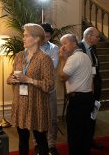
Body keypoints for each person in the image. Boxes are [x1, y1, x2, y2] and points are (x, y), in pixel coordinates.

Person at [7, 23, 54, 155]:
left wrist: (29, 80)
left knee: (40, 140)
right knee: (22, 139)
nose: (23, 38)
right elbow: (11, 75)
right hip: (20, 104)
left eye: (26, 35)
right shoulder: (19, 56)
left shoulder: (44, 58)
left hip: (36, 105)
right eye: (24, 35)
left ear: (36, 39)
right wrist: (11, 79)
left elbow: (49, 85)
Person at [58, 34, 93, 155]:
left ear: (74, 44)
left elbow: (62, 76)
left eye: (65, 43)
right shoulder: (85, 56)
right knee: (84, 130)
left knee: (74, 132)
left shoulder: (74, 58)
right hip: (87, 97)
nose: (62, 47)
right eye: (61, 44)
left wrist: (62, 59)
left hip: (77, 100)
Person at [33, 23, 59, 155]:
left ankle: (51, 144)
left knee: (52, 118)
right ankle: (37, 143)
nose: (46, 39)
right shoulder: (32, 47)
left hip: (50, 89)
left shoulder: (54, 48)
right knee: (37, 117)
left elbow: (53, 65)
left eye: (48, 36)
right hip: (35, 89)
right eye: (44, 36)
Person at [78, 27, 103, 150]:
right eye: (97, 36)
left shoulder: (93, 48)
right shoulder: (78, 48)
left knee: (93, 113)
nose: (98, 39)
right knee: (83, 115)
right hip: (83, 87)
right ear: (88, 36)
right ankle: (82, 140)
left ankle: (90, 139)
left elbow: (96, 68)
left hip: (95, 86)